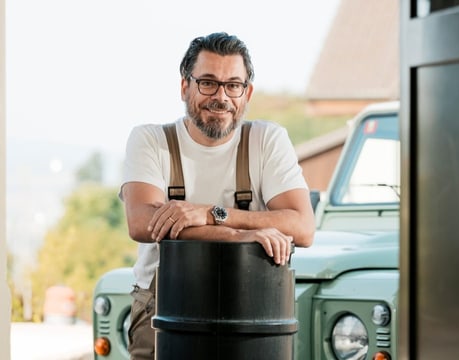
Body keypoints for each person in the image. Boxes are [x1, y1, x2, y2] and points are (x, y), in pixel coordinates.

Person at [119, 31, 316, 360]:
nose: (221, 97)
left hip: (252, 312)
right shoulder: (150, 140)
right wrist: (242, 236)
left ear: (247, 92)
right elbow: (142, 222)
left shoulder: (266, 140)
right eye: (207, 83)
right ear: (185, 87)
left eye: (233, 85)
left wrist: (210, 213)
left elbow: (303, 227)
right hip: (161, 310)